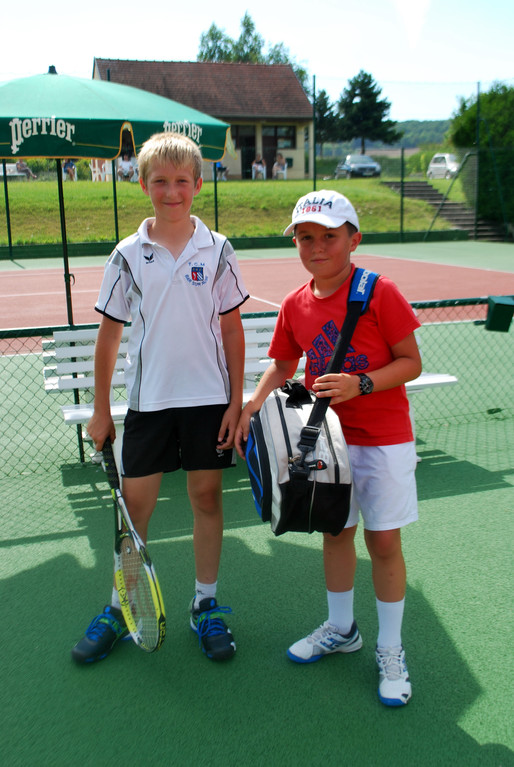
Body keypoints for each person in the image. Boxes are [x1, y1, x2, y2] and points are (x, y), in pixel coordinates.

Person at [235, 190, 422, 707]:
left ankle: (390, 646)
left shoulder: (380, 292)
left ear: (353, 239)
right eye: (305, 237)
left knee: (383, 543)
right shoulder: (295, 303)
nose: (316, 246)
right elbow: (282, 363)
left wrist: (361, 384)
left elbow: (410, 361)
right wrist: (253, 404)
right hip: (326, 440)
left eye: (329, 236)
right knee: (336, 532)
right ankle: (343, 630)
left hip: (383, 439)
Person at [71, 132, 249, 665]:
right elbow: (108, 335)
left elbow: (234, 330)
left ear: (198, 183)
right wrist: (102, 408)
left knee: (207, 500)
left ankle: (206, 602)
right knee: (135, 512)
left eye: (180, 181)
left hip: (208, 404)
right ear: (143, 184)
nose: (171, 191)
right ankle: (120, 608)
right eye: (159, 182)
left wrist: (236, 403)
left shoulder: (217, 249)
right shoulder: (127, 254)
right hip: (147, 404)